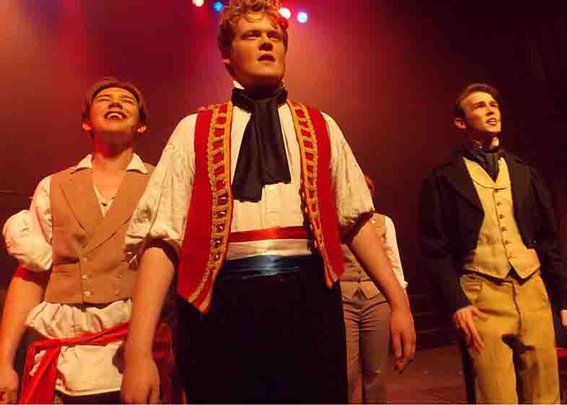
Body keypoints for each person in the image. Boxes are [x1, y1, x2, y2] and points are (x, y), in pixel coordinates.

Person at [119, 0, 415, 403]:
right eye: (251, 35)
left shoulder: (321, 126)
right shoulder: (195, 130)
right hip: (219, 304)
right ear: (226, 55)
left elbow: (357, 220)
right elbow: (162, 239)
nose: (265, 43)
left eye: (274, 36)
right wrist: (138, 353)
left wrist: (399, 303)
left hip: (309, 300)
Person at [418, 82, 567, 403]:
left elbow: (549, 242)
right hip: (481, 294)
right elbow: (434, 249)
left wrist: (566, 301)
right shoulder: (442, 178)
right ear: (460, 122)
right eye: (479, 106)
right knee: (495, 396)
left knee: (546, 393)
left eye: (493, 104)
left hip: (532, 290)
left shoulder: (525, 173)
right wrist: (456, 303)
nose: (490, 109)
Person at [0, 78, 153, 403]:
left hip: (134, 355)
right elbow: (31, 274)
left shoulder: (161, 183)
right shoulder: (53, 187)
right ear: (86, 122)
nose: (115, 103)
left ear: (141, 125)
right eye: (105, 99)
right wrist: (3, 362)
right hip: (63, 357)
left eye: (126, 100)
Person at [341, 175, 408, 403]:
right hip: (344, 298)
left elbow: (395, 266)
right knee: (347, 372)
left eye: (368, 187)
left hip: (376, 299)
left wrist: (404, 309)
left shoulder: (383, 222)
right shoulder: (338, 219)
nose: (365, 190)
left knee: (376, 371)